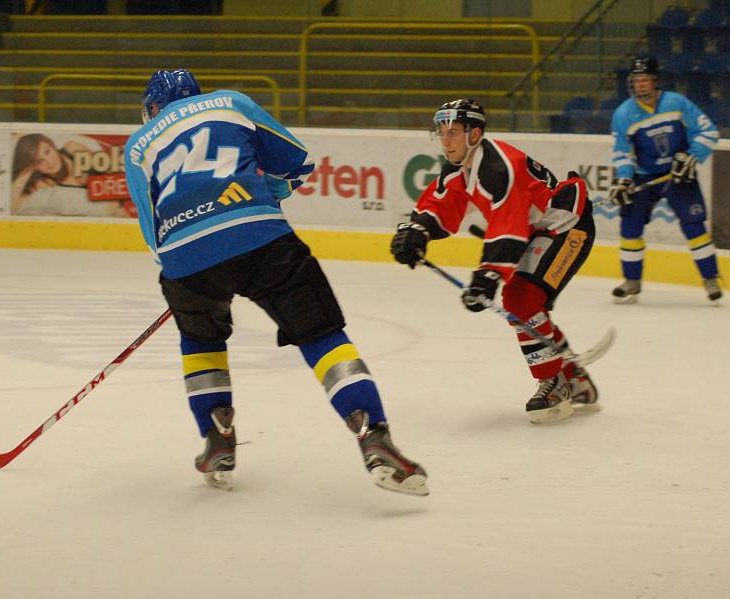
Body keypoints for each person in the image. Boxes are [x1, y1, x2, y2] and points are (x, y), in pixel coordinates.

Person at [123, 69, 428, 496]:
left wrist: (179, 272)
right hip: (259, 234)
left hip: (184, 255)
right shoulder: (231, 101)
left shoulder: (138, 143)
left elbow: (148, 221)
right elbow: (297, 160)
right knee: (321, 334)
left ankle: (217, 442)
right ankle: (372, 434)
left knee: (201, 340)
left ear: (153, 107)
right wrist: (261, 190)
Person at [390, 98, 599, 424]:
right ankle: (574, 377)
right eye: (441, 132)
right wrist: (417, 230)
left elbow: (509, 224)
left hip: (568, 225)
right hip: (540, 229)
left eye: (453, 132)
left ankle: (556, 383)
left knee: (520, 298)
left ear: (475, 134)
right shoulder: (463, 166)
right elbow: (442, 203)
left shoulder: (498, 166)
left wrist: (488, 275)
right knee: (525, 303)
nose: (445, 140)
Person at [609, 55, 723, 304]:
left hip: (678, 176)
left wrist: (691, 157)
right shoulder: (624, 114)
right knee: (630, 227)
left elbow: (708, 132)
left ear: (655, 81)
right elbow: (622, 152)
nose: (639, 85)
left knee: (694, 226)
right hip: (644, 177)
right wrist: (625, 180)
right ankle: (632, 281)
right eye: (636, 80)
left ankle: (710, 277)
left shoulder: (677, 103)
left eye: (644, 80)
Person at [11, 133, 128, 218]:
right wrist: (27, 169)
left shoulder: (71, 148)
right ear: (34, 168)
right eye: (39, 161)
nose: (49, 162)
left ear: (53, 146)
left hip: (123, 195)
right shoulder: (45, 183)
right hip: (103, 214)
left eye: (48, 151)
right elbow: (13, 205)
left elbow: (112, 165)